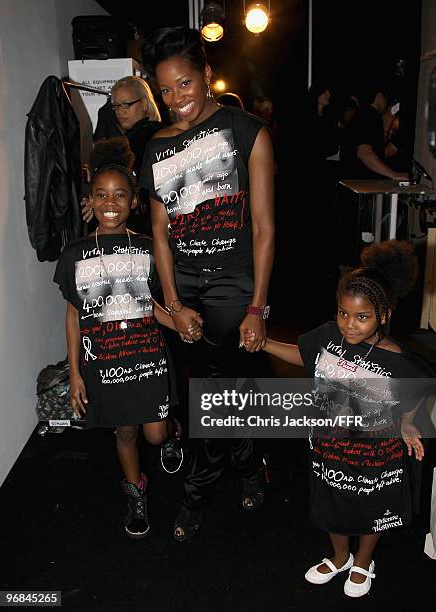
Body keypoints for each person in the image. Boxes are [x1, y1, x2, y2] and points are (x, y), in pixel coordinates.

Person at [141, 26, 275, 541]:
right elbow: (159, 234)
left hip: (235, 287)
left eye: (185, 84)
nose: (176, 99)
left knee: (210, 395)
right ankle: (249, 465)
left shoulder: (248, 132)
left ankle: (196, 493)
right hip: (185, 289)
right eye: (166, 90)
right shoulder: (155, 148)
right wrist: (172, 305)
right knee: (218, 388)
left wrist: (257, 308)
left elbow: (264, 228)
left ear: (207, 76)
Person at [245, 240, 433, 597]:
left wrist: (408, 422)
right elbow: (305, 356)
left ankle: (363, 561)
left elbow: (417, 393)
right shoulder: (329, 336)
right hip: (329, 444)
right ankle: (339, 556)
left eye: (362, 317)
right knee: (330, 500)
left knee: (368, 505)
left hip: (373, 453)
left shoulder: (398, 361)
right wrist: (264, 342)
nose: (349, 325)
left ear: (384, 315)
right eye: (343, 313)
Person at [54, 138, 202, 539]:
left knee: (153, 434)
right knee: (125, 432)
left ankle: (171, 432)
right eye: (101, 195)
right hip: (104, 363)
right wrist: (75, 372)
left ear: (134, 201)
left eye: (120, 195)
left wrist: (183, 325)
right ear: (90, 200)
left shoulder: (149, 249)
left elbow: (151, 307)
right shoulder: (75, 254)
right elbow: (73, 314)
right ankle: (136, 492)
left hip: (147, 357)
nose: (110, 202)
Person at [84, 76, 163, 234]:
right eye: (116, 106)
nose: (120, 111)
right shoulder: (128, 140)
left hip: (148, 228)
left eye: (126, 104)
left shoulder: (151, 138)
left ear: (144, 103)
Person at [340, 82, 408, 180]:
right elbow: (364, 153)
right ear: (379, 96)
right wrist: (394, 174)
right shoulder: (369, 117)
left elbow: (377, 152)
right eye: (386, 99)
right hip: (359, 183)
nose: (387, 103)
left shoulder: (363, 116)